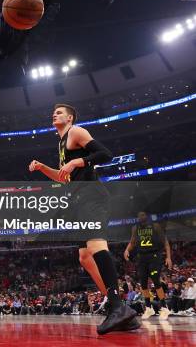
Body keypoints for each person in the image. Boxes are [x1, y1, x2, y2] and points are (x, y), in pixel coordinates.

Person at [28, 103, 139, 335]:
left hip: (92, 197)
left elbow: (106, 154)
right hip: (79, 201)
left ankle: (118, 306)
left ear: (70, 118)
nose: (54, 114)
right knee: (85, 257)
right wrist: (41, 168)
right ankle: (121, 310)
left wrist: (79, 161)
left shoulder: (76, 132)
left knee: (96, 247)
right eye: (54, 112)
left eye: (59, 112)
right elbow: (62, 178)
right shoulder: (61, 143)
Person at [124, 211, 172, 320]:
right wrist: (127, 250)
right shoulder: (135, 228)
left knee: (155, 279)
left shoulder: (155, 226)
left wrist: (168, 257)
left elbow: (165, 242)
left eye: (143, 215)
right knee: (143, 282)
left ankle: (164, 307)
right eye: (139, 215)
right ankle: (148, 308)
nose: (141, 217)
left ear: (147, 216)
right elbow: (132, 242)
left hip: (154, 255)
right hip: (142, 257)